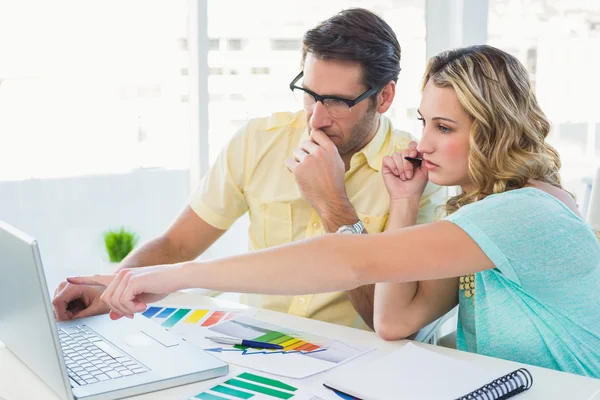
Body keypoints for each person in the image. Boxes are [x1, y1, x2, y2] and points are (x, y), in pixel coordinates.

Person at [68, 45, 600, 378]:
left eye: (445, 128)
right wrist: (404, 202)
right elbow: (396, 322)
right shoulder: (478, 213)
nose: (425, 143)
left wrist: (165, 277)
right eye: (425, 123)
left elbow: (350, 260)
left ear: (493, 130)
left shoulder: (524, 214)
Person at [52, 8, 447, 332]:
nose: (316, 119)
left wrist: (332, 204)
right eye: (309, 95)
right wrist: (110, 288)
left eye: (336, 102)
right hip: (254, 343)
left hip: (359, 358)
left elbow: (391, 322)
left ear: (385, 97)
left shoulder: (416, 175)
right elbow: (176, 246)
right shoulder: (260, 140)